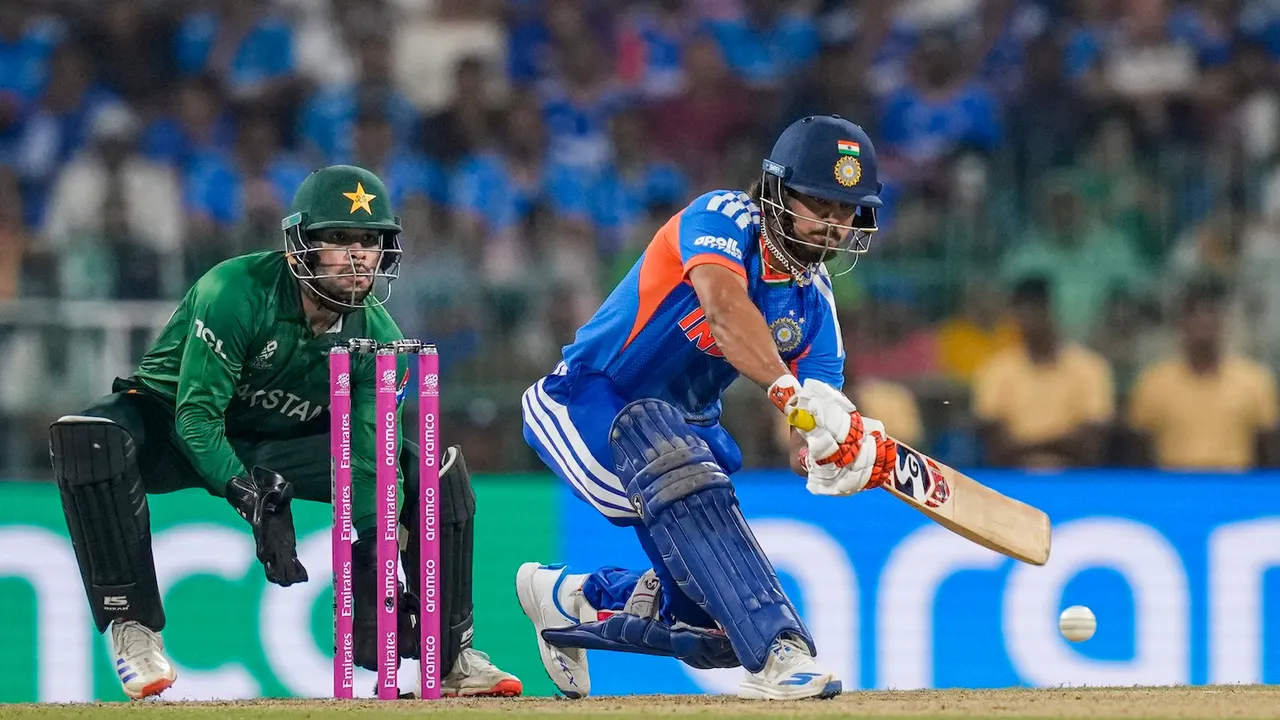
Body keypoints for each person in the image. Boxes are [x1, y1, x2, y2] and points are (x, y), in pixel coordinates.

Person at [48, 165, 520, 700]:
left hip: (279, 445)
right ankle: (132, 628)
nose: (358, 256)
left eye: (369, 241)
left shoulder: (381, 342)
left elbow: (368, 461)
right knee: (90, 437)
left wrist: (375, 559)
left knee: (424, 471)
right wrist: (251, 498)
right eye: (338, 238)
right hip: (172, 429)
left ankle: (451, 656)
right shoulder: (234, 290)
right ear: (300, 246)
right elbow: (196, 417)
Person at [516, 115, 890, 700]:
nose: (833, 226)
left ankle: (573, 598)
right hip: (586, 403)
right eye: (820, 204)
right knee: (679, 465)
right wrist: (790, 396)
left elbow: (814, 421)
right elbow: (725, 309)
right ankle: (778, 651)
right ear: (776, 189)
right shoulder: (722, 217)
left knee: (710, 629)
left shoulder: (815, 303)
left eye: (847, 212)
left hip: (681, 437)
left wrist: (834, 447)